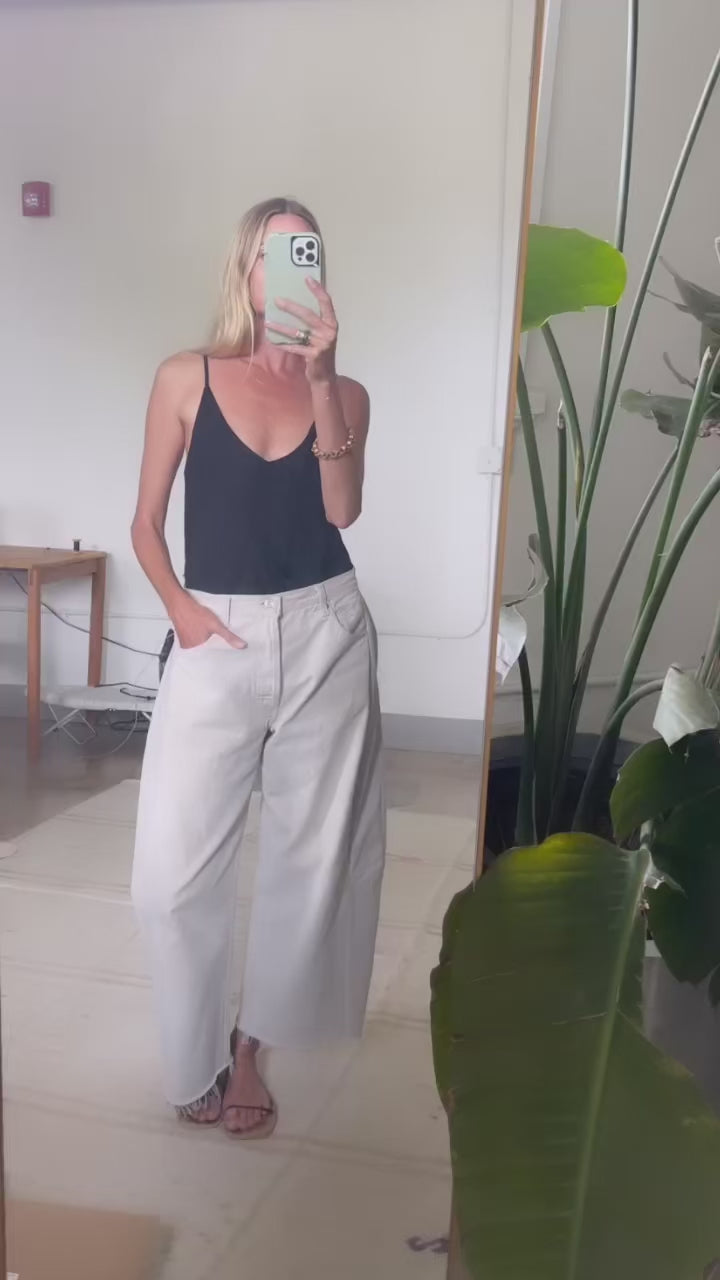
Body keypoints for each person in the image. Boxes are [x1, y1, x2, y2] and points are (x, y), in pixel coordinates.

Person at [130, 197, 385, 1139]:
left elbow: (343, 511)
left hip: (327, 630)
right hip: (216, 635)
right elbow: (144, 524)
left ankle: (250, 1044)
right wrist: (182, 611)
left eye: (301, 255)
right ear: (245, 273)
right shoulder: (185, 377)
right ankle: (190, 1054)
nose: (285, 273)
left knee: (307, 856)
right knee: (169, 874)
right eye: (270, 257)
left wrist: (320, 377)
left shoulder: (347, 393)